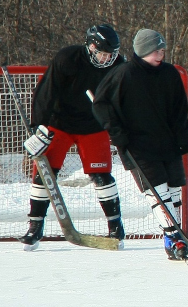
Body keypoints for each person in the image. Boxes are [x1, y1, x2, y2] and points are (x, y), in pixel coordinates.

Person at [91, 28, 188, 261]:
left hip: (168, 144)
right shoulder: (124, 74)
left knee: (174, 192)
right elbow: (101, 104)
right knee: (158, 194)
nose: (160, 54)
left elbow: (179, 109)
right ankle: (177, 240)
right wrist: (117, 134)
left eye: (162, 50)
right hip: (138, 147)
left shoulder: (169, 74)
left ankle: (173, 241)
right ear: (142, 51)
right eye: (155, 51)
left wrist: (183, 138)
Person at [20, 24, 126, 249]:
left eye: (111, 54)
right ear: (91, 47)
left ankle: (116, 226)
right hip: (59, 123)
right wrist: (39, 126)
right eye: (103, 53)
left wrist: (120, 124)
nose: (107, 59)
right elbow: (46, 91)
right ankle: (35, 226)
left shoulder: (118, 65)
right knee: (45, 174)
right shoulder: (67, 58)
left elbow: (123, 99)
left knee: (102, 176)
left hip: (94, 125)